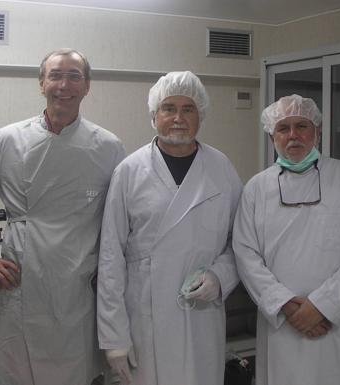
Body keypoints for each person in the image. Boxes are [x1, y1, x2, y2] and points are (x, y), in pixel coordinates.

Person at [0, 48, 125, 385]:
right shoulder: (8, 139)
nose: (64, 84)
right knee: (11, 373)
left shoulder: (108, 146)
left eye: (74, 76)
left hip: (76, 287)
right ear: (41, 83)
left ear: (87, 87)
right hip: (20, 281)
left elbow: (122, 216)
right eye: (56, 75)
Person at [96, 71, 243, 385]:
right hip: (145, 317)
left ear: (200, 115)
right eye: (169, 108)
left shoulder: (221, 168)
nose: (178, 117)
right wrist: (114, 338)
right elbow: (110, 257)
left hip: (200, 313)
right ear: (154, 116)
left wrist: (220, 276)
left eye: (187, 108)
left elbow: (241, 242)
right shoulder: (129, 171)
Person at [232, 94, 340, 385]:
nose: (293, 135)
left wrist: (322, 307)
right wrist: (286, 305)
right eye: (283, 128)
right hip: (284, 322)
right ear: (272, 135)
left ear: (318, 132)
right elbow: (246, 255)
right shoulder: (256, 188)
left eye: (302, 126)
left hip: (338, 320)